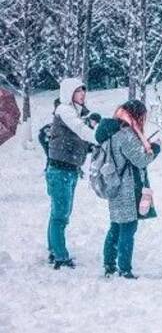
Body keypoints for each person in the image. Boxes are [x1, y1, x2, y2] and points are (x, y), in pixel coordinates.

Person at [95, 100, 161, 279]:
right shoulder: (126, 135)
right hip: (127, 189)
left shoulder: (112, 133)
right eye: (142, 116)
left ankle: (109, 265)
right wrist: (155, 148)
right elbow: (141, 160)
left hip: (115, 186)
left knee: (116, 227)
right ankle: (124, 269)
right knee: (128, 228)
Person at [46, 78, 99, 269]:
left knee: (59, 213)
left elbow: (82, 135)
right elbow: (80, 130)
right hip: (59, 170)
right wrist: (98, 137)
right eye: (78, 91)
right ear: (69, 93)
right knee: (60, 215)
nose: (83, 94)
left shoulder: (78, 113)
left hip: (70, 169)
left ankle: (53, 250)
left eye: (84, 91)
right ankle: (60, 256)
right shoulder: (65, 110)